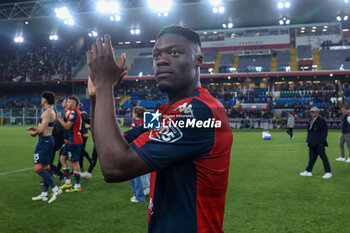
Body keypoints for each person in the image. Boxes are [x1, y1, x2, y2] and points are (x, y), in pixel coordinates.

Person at [87, 25, 233, 232]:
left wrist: (104, 86)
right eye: (156, 55)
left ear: (198, 60)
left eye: (174, 53)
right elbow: (108, 148)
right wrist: (96, 99)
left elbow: (114, 167)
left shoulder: (199, 111)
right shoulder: (165, 113)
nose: (161, 60)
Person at [27, 91, 62, 203]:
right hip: (48, 140)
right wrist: (35, 129)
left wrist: (34, 133)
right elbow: (44, 128)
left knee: (37, 167)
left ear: (45, 100)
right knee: (46, 167)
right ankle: (44, 194)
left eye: (42, 98)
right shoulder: (51, 110)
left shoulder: (48, 112)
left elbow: (42, 130)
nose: (41, 100)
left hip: (44, 142)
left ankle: (55, 189)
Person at [56, 96, 83, 192]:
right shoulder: (72, 112)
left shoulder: (74, 113)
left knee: (74, 162)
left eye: (69, 101)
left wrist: (59, 119)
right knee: (62, 158)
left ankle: (77, 185)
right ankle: (68, 182)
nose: (67, 103)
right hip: (70, 140)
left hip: (75, 140)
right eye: (67, 101)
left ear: (74, 104)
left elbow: (67, 126)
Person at [300, 106, 332, 179]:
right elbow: (309, 132)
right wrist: (307, 140)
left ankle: (328, 172)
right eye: (311, 111)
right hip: (311, 143)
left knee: (323, 158)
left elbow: (324, 133)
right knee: (311, 158)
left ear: (317, 112)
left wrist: (321, 142)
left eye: (313, 112)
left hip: (319, 143)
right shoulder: (310, 120)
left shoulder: (321, 121)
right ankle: (308, 171)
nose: (311, 113)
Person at [128, 106, 149, 203]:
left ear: (136, 114)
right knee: (147, 170)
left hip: (136, 149)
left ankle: (139, 195)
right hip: (147, 149)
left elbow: (131, 136)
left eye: (133, 112)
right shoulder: (147, 122)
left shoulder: (134, 124)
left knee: (134, 172)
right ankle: (147, 188)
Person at [78, 103, 92, 171]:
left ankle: (81, 165)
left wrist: (85, 131)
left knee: (81, 151)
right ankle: (90, 161)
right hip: (82, 134)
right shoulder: (80, 113)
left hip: (83, 134)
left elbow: (86, 124)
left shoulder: (82, 114)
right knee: (81, 150)